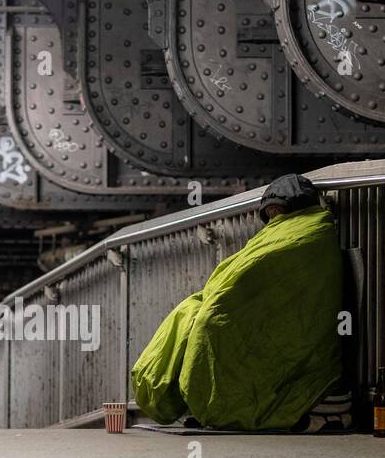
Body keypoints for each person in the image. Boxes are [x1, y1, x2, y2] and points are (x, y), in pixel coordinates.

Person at [131, 173, 346, 432]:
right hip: (270, 318)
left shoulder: (310, 232)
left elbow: (253, 276)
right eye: (270, 212)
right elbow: (241, 274)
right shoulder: (287, 233)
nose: (273, 216)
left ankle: (221, 406)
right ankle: (202, 401)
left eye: (276, 209)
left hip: (289, 328)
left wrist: (220, 301)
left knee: (209, 324)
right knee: (189, 315)